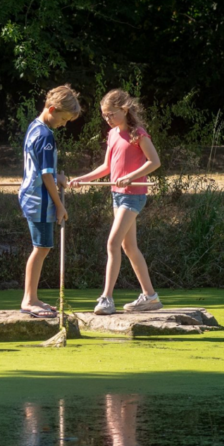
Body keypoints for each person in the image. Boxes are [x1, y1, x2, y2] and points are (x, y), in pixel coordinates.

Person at [70, 88, 162, 315]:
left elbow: (154, 161)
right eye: (104, 115)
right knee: (128, 246)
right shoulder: (112, 135)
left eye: (111, 114)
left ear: (124, 109)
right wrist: (84, 178)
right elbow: (107, 167)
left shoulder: (138, 134)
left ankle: (106, 298)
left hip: (134, 195)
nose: (107, 119)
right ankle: (150, 297)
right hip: (117, 195)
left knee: (112, 243)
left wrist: (130, 177)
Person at [19, 85, 81, 318]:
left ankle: (32, 297)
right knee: (41, 247)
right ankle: (29, 300)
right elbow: (45, 175)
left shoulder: (35, 127)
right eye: (63, 119)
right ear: (52, 109)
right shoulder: (46, 136)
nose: (63, 124)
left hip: (32, 196)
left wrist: (59, 177)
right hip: (40, 199)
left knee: (41, 247)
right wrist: (59, 205)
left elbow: (43, 169)